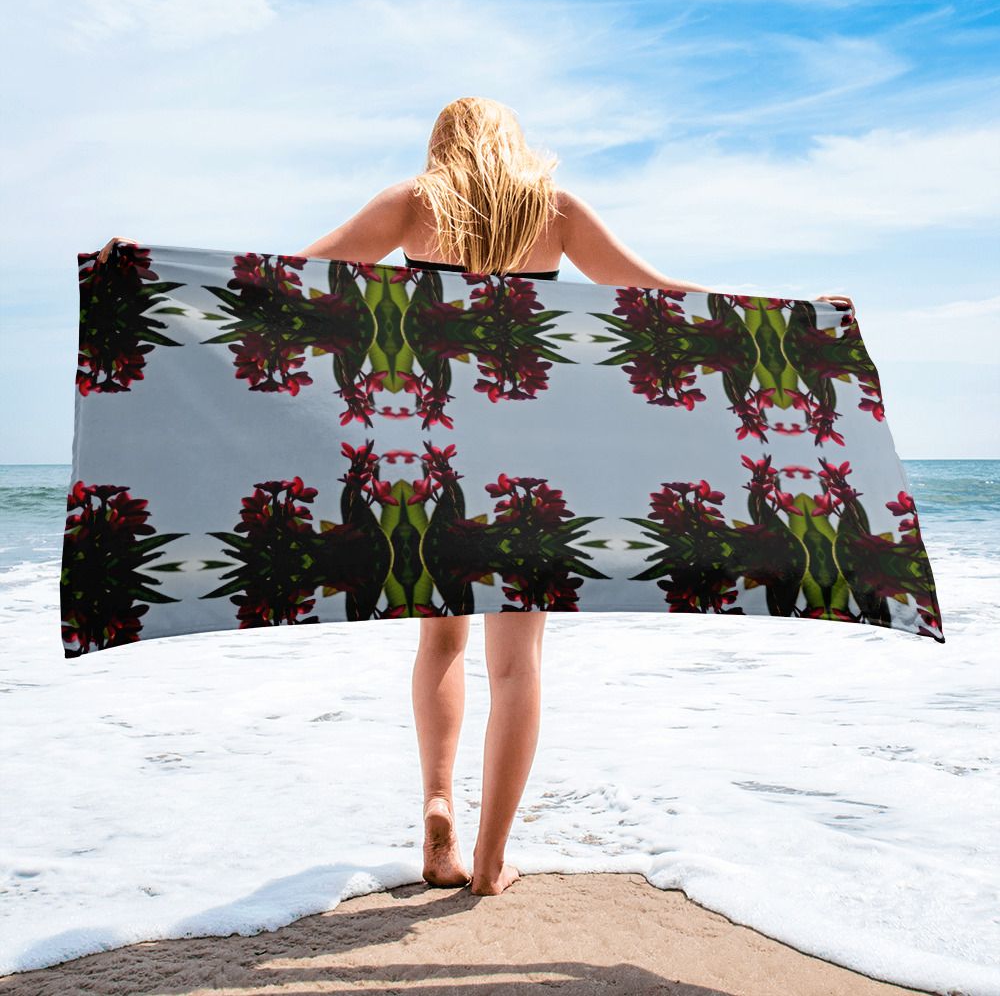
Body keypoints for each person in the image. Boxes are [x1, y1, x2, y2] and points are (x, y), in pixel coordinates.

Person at [97, 96, 854, 898]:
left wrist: (146, 274)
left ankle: (437, 808)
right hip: (528, 464)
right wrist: (799, 318)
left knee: (441, 643)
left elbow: (284, 283)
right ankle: (490, 863)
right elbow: (662, 295)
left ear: (442, 145)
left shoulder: (412, 204)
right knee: (518, 666)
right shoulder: (554, 211)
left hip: (422, 453)